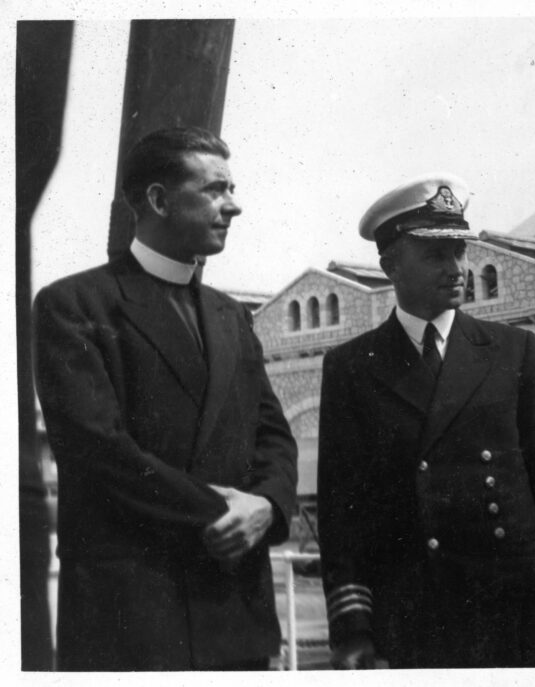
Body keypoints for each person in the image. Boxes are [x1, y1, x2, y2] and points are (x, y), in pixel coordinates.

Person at [316, 173, 535, 669]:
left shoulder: (513, 350)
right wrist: (352, 626)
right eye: (436, 254)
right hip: (414, 617)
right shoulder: (352, 367)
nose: (457, 268)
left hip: (521, 609)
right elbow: (342, 511)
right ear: (391, 264)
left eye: (460, 252)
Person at [32, 127, 298, 670]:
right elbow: (98, 449)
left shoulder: (233, 316)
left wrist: (266, 506)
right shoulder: (73, 305)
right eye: (216, 189)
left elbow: (273, 434)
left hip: (233, 614)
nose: (235, 205)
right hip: (133, 615)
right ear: (158, 199)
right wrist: (227, 512)